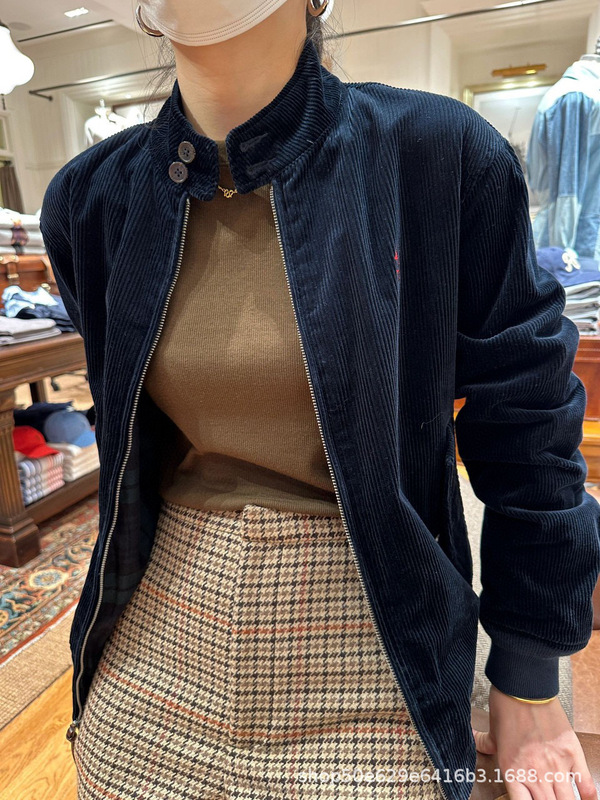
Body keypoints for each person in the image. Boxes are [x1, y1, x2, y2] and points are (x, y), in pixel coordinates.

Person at [39, 1, 600, 799]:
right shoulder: (92, 197)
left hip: (376, 615)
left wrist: (529, 673)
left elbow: (528, 423)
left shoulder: (437, 152)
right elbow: (127, 435)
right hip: (158, 629)